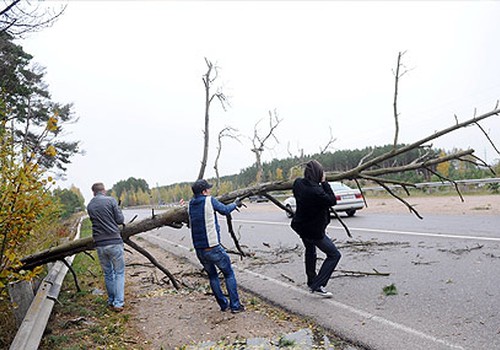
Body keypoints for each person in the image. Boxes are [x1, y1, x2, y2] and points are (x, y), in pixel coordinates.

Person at [188, 179, 245, 313]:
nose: (210, 191)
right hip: (212, 247)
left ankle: (223, 305)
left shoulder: (191, 204)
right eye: (208, 189)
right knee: (229, 273)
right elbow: (225, 210)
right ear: (204, 191)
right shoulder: (209, 200)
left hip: (199, 250)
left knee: (213, 276)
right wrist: (235, 204)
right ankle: (235, 306)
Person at [291, 160, 342, 298]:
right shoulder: (317, 191)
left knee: (310, 251)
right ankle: (317, 285)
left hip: (300, 226)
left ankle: (311, 280)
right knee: (334, 254)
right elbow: (332, 200)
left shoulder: (298, 184)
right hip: (313, 231)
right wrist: (325, 182)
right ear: (319, 174)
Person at [87, 182, 126, 312]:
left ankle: (111, 300)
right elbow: (120, 220)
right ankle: (118, 303)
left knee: (108, 273)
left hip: (100, 244)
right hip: (114, 241)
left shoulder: (90, 205)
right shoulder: (111, 201)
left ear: (93, 192)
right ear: (104, 190)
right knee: (119, 272)